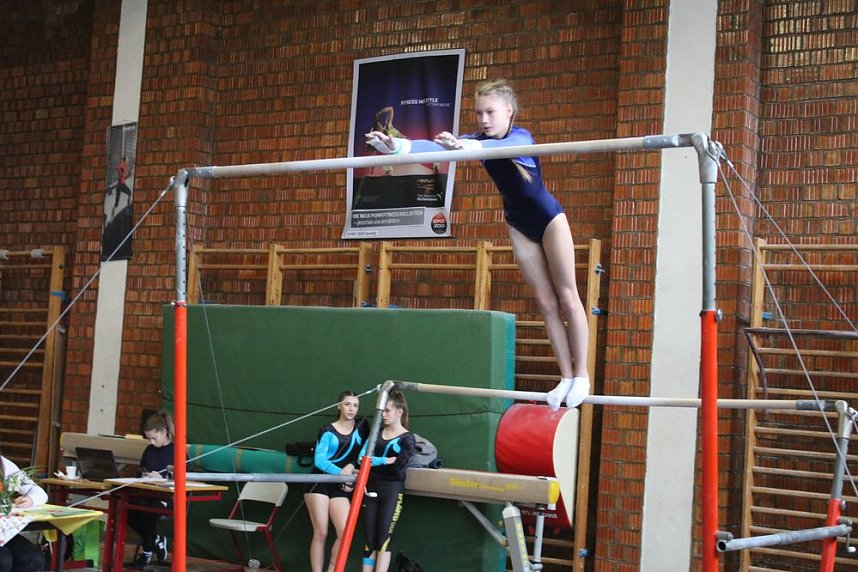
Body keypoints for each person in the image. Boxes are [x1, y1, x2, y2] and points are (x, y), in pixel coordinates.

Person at [366, 78, 590, 411]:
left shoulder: (521, 138)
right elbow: (430, 146)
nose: (483, 120)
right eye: (479, 113)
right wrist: (395, 147)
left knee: (568, 297)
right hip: (519, 224)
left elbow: (488, 150)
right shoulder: (475, 140)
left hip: (549, 220)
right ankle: (566, 377)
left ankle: (582, 375)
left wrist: (464, 148)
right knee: (545, 302)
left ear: (509, 112)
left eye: (490, 112)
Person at [305, 391, 368, 572]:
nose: (351, 409)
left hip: (340, 484)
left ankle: (334, 569)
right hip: (319, 481)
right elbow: (320, 460)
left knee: (345, 532)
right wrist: (342, 473)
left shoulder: (362, 427)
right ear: (339, 405)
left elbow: (362, 455)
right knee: (321, 532)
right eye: (347, 404)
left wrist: (350, 467)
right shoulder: (327, 430)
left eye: (355, 405)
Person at [359, 390, 415, 572]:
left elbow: (398, 467)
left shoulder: (407, 438)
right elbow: (361, 459)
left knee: (383, 538)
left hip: (391, 491)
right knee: (369, 539)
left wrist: (373, 463)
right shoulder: (376, 433)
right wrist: (384, 460)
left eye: (387, 410)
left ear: (399, 412)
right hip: (370, 489)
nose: (383, 415)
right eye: (382, 411)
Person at [130, 411, 175, 569]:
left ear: (164, 431)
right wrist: (144, 475)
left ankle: (147, 550)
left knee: (149, 511)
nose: (152, 442)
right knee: (131, 509)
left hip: (167, 497)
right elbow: (139, 473)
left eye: (154, 438)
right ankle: (155, 539)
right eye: (149, 438)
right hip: (148, 493)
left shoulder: (177, 451)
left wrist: (162, 479)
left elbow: (183, 479)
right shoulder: (149, 450)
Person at [0, 448, 48, 572]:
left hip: (2, 531)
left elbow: (39, 492)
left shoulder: (4, 465)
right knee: (3, 560)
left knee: (33, 558)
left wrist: (30, 499)